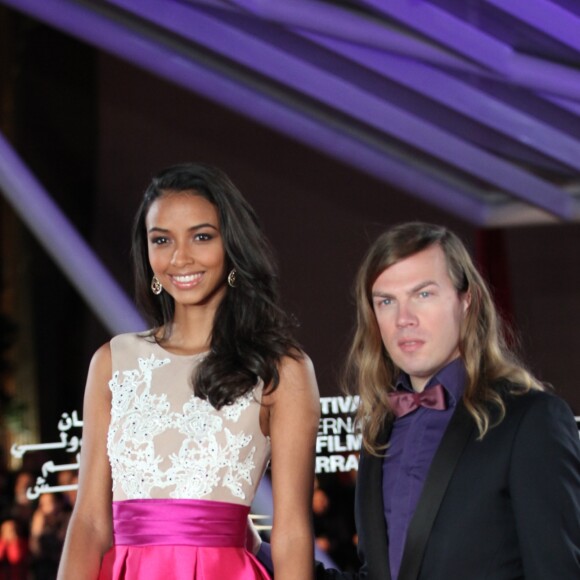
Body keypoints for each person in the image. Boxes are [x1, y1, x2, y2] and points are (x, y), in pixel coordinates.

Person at [257, 221, 580, 578]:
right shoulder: (380, 433)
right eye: (386, 301)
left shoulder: (532, 421)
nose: (404, 319)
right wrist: (259, 553)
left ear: (466, 299)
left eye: (423, 294)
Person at [57, 163, 320, 579]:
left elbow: (291, 533)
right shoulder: (113, 361)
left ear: (232, 244)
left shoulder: (282, 369)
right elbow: (89, 522)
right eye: (162, 239)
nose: (180, 258)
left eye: (201, 236)